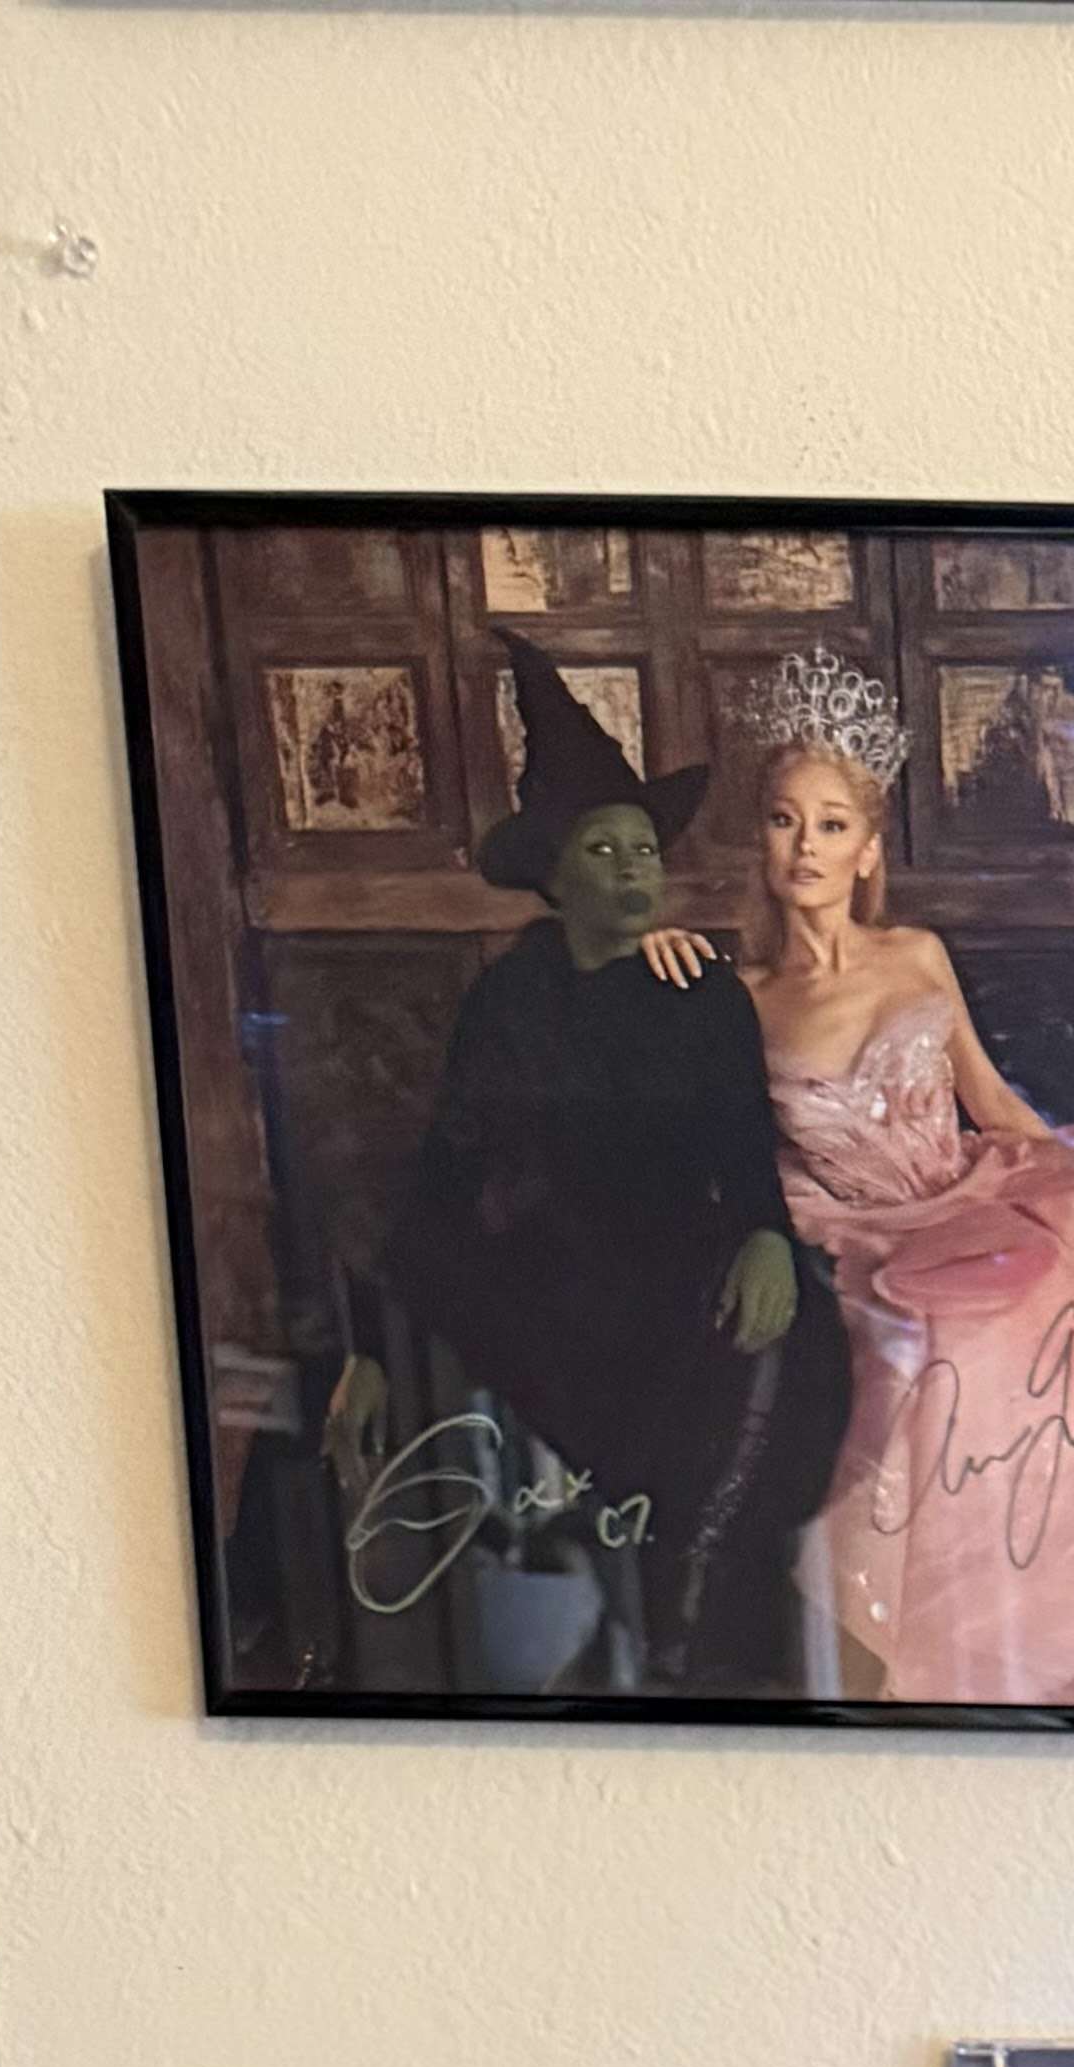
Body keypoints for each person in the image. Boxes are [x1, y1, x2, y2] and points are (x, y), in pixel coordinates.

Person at [643, 649, 1074, 1709]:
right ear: (759, 839)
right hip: (856, 1236)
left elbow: (989, 1102)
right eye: (782, 819)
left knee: (1072, 1302)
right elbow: (706, 1144)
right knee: (923, 1352)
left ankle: (1068, 1640)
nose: (804, 845)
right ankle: (939, 1659)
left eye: (830, 824)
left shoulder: (916, 955)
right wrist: (653, 954)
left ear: (866, 851)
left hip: (968, 1199)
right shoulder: (735, 996)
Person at [337, 641, 850, 1693]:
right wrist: (375, 1340)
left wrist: (765, 1234)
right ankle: (607, 1596)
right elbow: (448, 1162)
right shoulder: (511, 997)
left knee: (780, 1348)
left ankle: (694, 1602)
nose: (633, 868)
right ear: (556, 876)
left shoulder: (695, 988)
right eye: (605, 850)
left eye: (643, 851)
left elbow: (741, 1133)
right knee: (515, 1356)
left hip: (672, 1245)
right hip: (543, 1262)